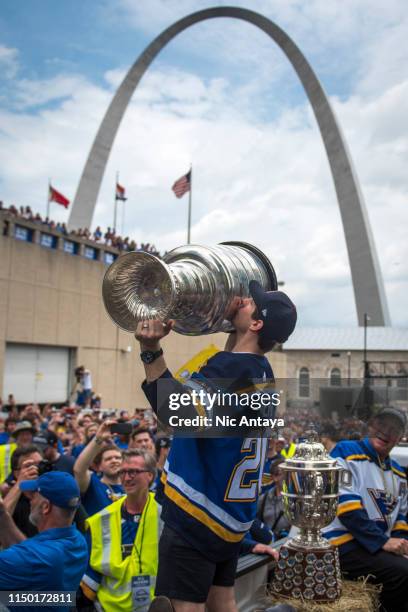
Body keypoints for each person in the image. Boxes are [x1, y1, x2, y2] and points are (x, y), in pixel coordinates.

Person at [136, 281, 297, 612]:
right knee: (223, 601)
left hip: (198, 515)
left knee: (184, 607)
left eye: (251, 304)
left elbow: (174, 413)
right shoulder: (258, 369)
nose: (242, 301)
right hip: (228, 518)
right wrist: (231, 325)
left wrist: (150, 349)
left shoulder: (233, 369)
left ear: (256, 324)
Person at [322, 407, 408, 612]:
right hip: (341, 544)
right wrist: (383, 542)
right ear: (371, 426)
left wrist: (402, 546)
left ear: (400, 437)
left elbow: (401, 519)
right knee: (403, 573)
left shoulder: (398, 472)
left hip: (374, 548)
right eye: (381, 424)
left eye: (394, 429)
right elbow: (347, 510)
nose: (386, 432)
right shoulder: (345, 451)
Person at [79, 449, 161, 611]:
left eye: (133, 472)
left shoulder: (165, 513)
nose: (126, 477)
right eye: (123, 471)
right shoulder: (102, 520)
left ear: (150, 475)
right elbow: (89, 583)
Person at [0, 471, 88, 611]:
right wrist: (3, 515)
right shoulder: (78, 541)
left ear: (45, 507)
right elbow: (28, 553)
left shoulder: (39, 558)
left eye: (34, 495)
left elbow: (29, 558)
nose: (30, 499)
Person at [74, 420, 124, 516]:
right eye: (108, 459)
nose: (114, 460)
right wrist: (98, 438)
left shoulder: (131, 486)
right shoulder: (93, 483)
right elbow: (79, 470)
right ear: (98, 467)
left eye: (118, 458)